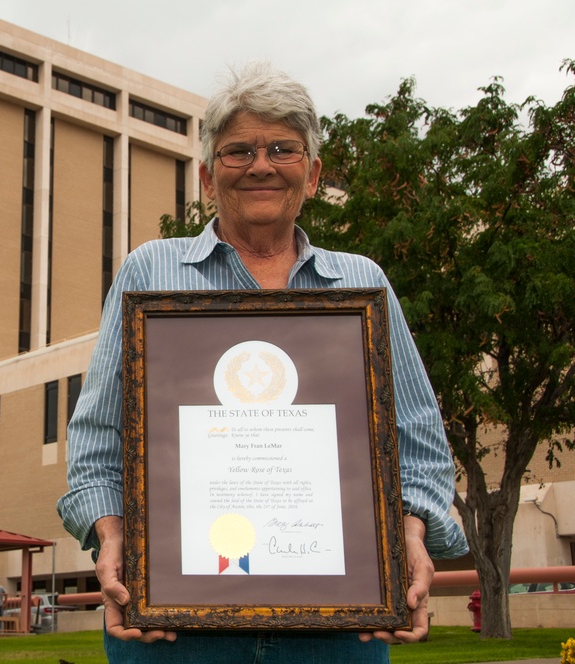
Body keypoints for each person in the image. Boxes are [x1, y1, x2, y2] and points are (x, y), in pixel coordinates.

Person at [56, 61, 468, 664]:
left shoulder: (360, 283)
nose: (261, 165)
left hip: (340, 625)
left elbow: (421, 447)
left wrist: (409, 531)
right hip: (172, 629)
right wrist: (112, 536)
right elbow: (98, 437)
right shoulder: (149, 272)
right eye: (237, 151)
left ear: (313, 172)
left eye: (283, 148)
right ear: (205, 174)